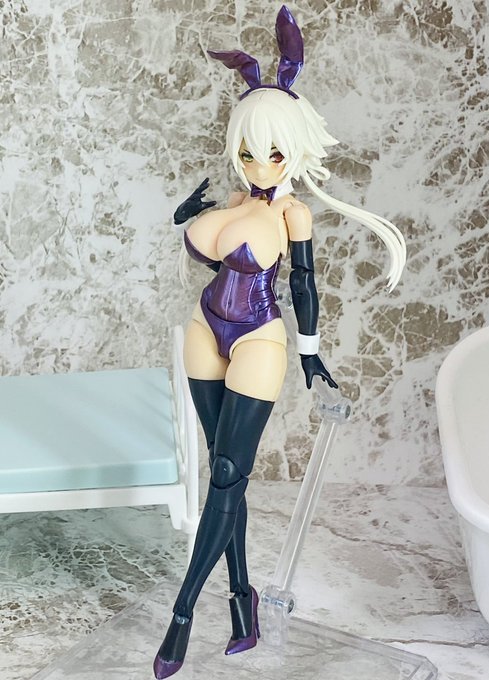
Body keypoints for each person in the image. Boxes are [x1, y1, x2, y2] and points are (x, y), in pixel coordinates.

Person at [153, 6, 406, 678]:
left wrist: (312, 352)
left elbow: (302, 284)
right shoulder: (232, 202)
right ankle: (243, 601)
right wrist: (188, 215)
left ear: (293, 151)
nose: (259, 164)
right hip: (204, 330)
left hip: (259, 339)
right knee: (224, 475)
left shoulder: (293, 212)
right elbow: (207, 249)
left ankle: (182, 615)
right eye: (247, 151)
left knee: (227, 475)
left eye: (272, 152)